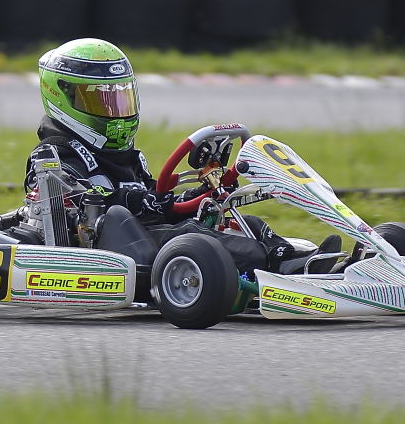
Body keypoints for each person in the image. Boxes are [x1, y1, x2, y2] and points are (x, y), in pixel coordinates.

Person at [22, 37, 341, 276]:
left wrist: (196, 197)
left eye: (118, 99)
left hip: (147, 238)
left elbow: (156, 201)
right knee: (192, 238)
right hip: (104, 249)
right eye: (99, 102)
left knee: (232, 222)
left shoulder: (127, 156)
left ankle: (294, 260)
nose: (113, 112)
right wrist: (135, 202)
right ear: (60, 96)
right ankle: (283, 267)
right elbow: (71, 202)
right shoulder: (51, 154)